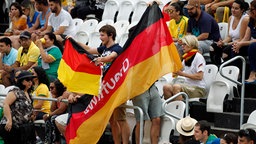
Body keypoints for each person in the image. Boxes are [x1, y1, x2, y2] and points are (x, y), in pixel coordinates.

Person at [77, 24, 130, 144]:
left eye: (102, 35)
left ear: (110, 35)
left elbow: (111, 58)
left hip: (117, 87)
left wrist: (100, 59)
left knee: (121, 118)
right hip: (107, 87)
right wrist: (75, 42)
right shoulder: (103, 49)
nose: (100, 37)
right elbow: (89, 50)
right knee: (111, 119)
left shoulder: (117, 48)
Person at [163, 35, 206, 100]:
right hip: (187, 86)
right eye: (182, 44)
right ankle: (171, 108)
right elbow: (180, 69)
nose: (182, 47)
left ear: (191, 45)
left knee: (176, 87)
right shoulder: (186, 57)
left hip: (198, 89)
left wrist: (182, 74)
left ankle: (181, 108)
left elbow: (199, 77)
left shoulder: (198, 57)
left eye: (184, 44)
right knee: (166, 87)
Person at [209, 0, 249, 66]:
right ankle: (216, 67)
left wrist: (227, 44)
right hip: (231, 43)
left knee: (227, 50)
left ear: (242, 10)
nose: (233, 10)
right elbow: (229, 36)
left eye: (236, 8)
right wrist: (222, 42)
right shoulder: (231, 18)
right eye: (232, 8)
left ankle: (227, 71)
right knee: (213, 46)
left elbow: (242, 39)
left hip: (242, 44)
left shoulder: (245, 19)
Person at [0, 71, 36, 144]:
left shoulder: (29, 94)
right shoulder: (15, 92)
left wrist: (32, 115)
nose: (30, 82)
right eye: (27, 80)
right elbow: (6, 104)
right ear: (22, 82)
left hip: (23, 127)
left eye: (31, 80)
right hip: (12, 126)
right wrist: (9, 120)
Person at [233, 1, 256, 82]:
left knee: (253, 46)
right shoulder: (252, 20)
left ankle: (253, 73)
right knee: (235, 47)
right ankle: (237, 73)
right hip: (252, 43)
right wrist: (239, 44)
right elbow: (246, 38)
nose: (249, 11)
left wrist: (242, 43)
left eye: (251, 9)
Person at [43, 79, 67, 144]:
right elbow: (52, 110)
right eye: (49, 88)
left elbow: (61, 109)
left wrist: (49, 115)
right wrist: (54, 98)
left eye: (52, 88)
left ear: (58, 88)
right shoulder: (56, 95)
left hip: (66, 114)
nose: (50, 90)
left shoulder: (65, 94)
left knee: (53, 118)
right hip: (60, 114)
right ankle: (49, 140)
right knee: (49, 119)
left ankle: (56, 141)